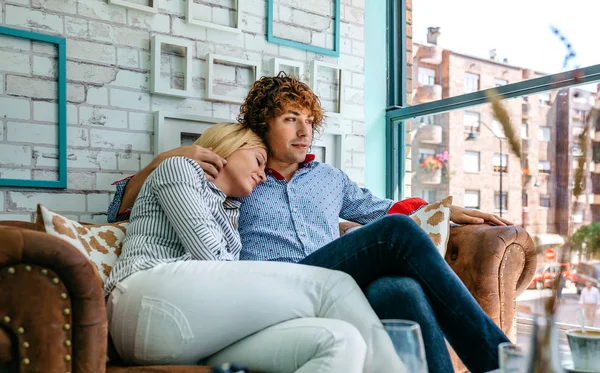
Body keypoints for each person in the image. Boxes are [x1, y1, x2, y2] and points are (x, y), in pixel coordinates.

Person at [108, 73, 512, 373]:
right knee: (399, 234)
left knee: (399, 287)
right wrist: (168, 159)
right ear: (262, 126)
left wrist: (439, 210)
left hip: (328, 281)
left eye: (309, 121)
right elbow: (130, 207)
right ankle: (499, 361)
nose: (305, 131)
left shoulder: (329, 179)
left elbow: (381, 208)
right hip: (263, 292)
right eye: (290, 119)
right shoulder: (236, 178)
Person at [104, 122, 406, 373]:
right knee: (334, 286)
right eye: (258, 161)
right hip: (144, 298)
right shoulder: (179, 169)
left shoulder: (230, 212)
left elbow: (223, 284)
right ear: (228, 147)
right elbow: (211, 260)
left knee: (341, 340)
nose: (262, 174)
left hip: (199, 331)